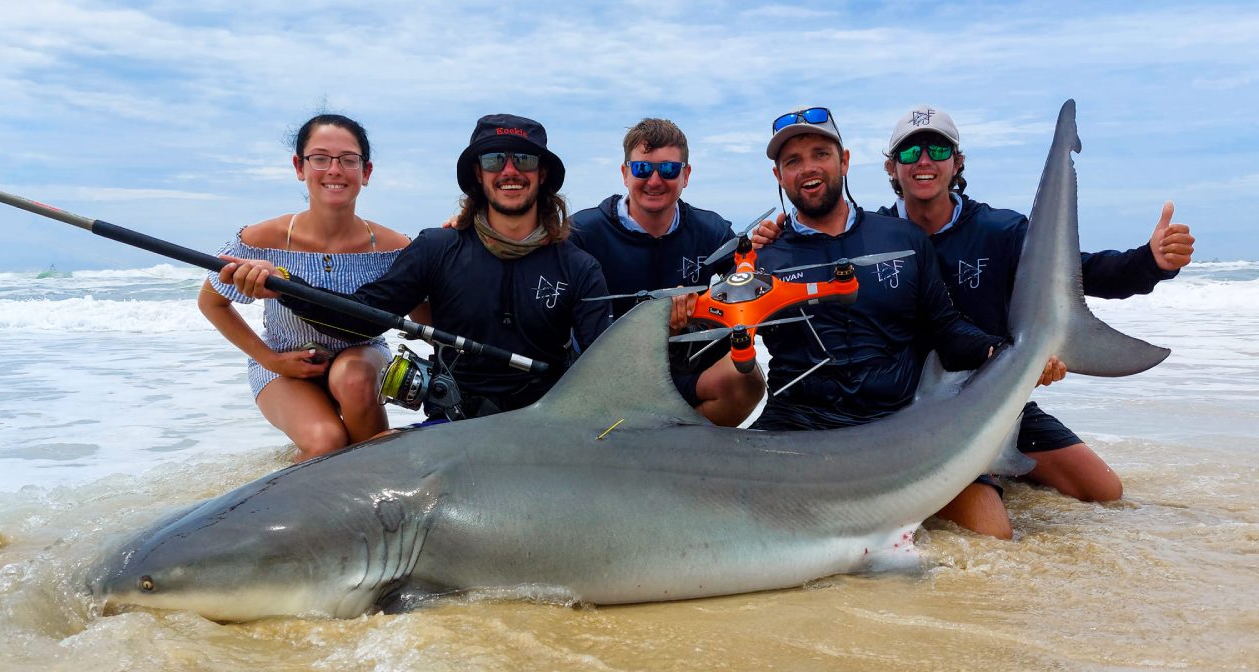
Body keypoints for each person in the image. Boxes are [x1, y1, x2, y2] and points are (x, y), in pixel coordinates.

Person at [874, 103, 1195, 536]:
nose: (925, 161)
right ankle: (962, 482)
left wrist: (1151, 261)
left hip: (996, 397)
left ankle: (1000, 465)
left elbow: (1080, 276)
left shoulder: (998, 231)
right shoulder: (874, 238)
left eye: (938, 149)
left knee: (1103, 490)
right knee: (993, 533)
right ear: (892, 168)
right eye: (910, 153)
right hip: (911, 412)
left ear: (958, 161)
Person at [221, 113, 611, 419]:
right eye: (495, 159)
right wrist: (285, 285)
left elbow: (604, 368)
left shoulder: (578, 266)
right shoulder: (436, 247)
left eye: (523, 159)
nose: (509, 171)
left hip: (546, 423)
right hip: (453, 423)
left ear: (542, 174)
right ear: (478, 172)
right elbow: (362, 318)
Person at [748, 106, 1004, 437]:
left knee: (981, 492)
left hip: (898, 420)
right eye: (792, 161)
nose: (808, 168)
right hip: (794, 424)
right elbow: (725, 340)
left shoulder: (903, 238)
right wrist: (682, 316)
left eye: (821, 154)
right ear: (778, 176)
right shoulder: (761, 258)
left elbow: (946, 330)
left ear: (844, 161)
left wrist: (1000, 352)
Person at [199, 114, 413, 462]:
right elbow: (211, 303)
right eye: (320, 158)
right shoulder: (259, 240)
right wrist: (272, 360)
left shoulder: (395, 247)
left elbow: (430, 317)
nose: (334, 170)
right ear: (300, 166)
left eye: (348, 160)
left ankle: (371, 486)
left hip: (363, 359)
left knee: (354, 377)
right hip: (283, 361)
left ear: (366, 172)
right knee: (326, 442)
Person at [569, 118, 765, 426]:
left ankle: (683, 451)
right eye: (643, 169)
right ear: (625, 174)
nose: (655, 180)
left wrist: (773, 243)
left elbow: (751, 280)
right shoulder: (582, 232)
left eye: (670, 170)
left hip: (686, 369)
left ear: (686, 175)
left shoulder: (712, 231)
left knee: (747, 380)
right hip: (606, 377)